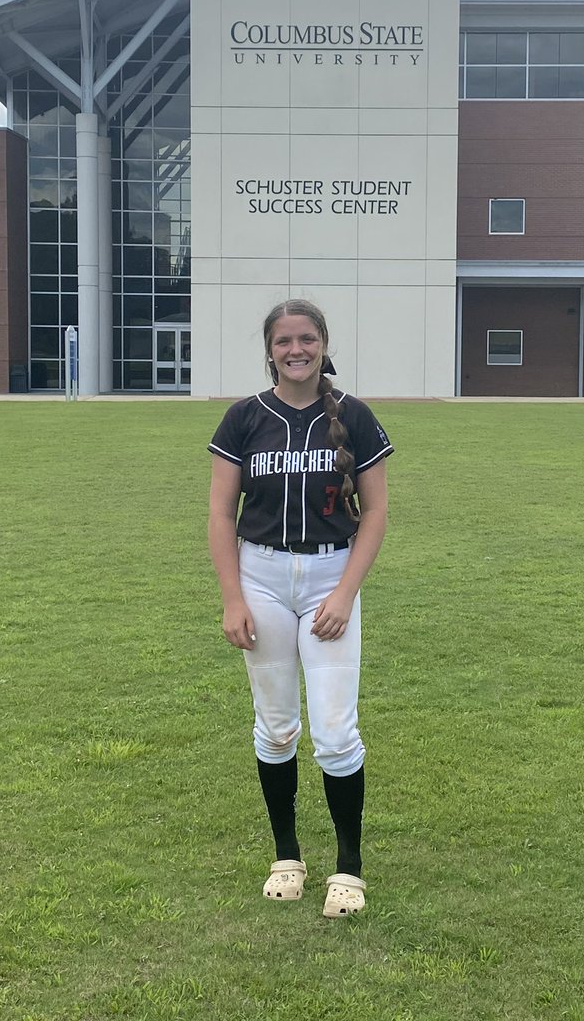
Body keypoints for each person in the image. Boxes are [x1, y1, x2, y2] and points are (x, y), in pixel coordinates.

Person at [208, 299, 393, 918]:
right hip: (260, 576)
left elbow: (376, 515)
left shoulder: (354, 417)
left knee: (336, 733)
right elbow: (220, 515)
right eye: (284, 340)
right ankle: (286, 855)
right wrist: (233, 597)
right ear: (269, 349)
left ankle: (349, 868)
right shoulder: (244, 418)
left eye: (307, 339)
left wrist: (344, 594)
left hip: (329, 576)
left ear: (323, 344)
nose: (296, 350)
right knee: (277, 726)